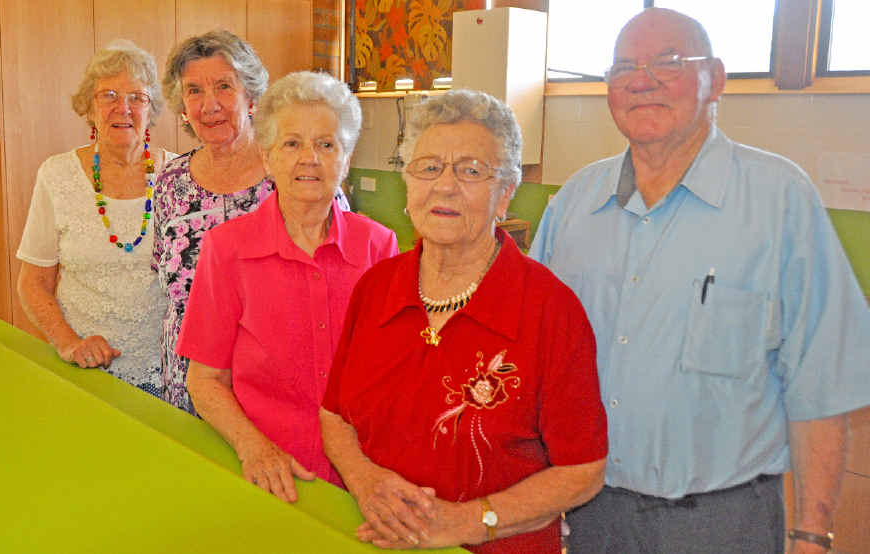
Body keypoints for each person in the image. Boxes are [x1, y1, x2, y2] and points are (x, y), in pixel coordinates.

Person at [529, 8, 870, 554]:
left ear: (717, 77)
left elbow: (820, 385)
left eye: (669, 62)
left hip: (723, 522)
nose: (642, 81)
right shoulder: (573, 205)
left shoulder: (779, 200)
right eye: (624, 66)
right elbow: (531, 364)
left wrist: (812, 535)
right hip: (590, 514)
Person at [321, 89, 608, 553]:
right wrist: (364, 479)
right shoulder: (376, 288)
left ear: (505, 195)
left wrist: (470, 522)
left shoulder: (549, 310)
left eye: (472, 171)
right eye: (429, 167)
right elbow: (334, 414)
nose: (446, 185)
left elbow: (583, 470)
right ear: (409, 186)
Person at [178, 71, 397, 502]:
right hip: (267, 479)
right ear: (268, 157)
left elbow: (396, 377)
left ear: (347, 158)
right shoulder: (227, 249)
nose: (309, 159)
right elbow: (204, 381)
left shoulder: (379, 245)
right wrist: (253, 448)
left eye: (326, 144)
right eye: (292, 143)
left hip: (362, 482)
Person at [153, 30, 349, 414]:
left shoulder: (296, 173)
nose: (209, 105)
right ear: (182, 105)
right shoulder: (169, 182)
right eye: (194, 91)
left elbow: (337, 279)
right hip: (186, 381)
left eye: (224, 86)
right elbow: (164, 280)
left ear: (252, 97)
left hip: (276, 390)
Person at [16, 40, 172, 396]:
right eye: (109, 96)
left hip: (168, 374)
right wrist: (69, 343)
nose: (124, 108)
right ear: (89, 106)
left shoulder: (178, 177)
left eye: (137, 97)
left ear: (152, 109)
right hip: (82, 372)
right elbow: (33, 283)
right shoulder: (57, 175)